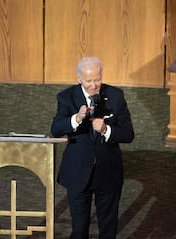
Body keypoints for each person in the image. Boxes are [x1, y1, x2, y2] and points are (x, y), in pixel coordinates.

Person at [51, 56, 134, 239]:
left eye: (97, 79)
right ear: (79, 78)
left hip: (108, 172)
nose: (94, 85)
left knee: (108, 228)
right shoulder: (66, 97)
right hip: (78, 171)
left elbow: (128, 134)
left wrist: (106, 129)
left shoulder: (115, 95)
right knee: (79, 229)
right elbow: (56, 129)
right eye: (88, 80)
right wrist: (77, 118)